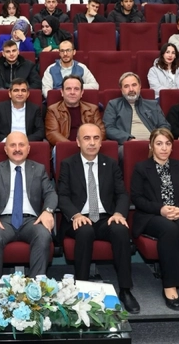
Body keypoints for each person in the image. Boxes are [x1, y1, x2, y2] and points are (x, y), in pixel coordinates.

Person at [57, 123, 139, 313]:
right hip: (79, 217)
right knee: (85, 231)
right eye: (87, 138)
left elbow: (122, 194)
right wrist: (76, 214)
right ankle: (81, 289)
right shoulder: (68, 164)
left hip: (105, 217)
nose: (92, 143)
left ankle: (125, 290)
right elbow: (62, 196)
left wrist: (118, 213)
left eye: (96, 138)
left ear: (101, 142)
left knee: (120, 230)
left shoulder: (110, 164)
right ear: (78, 142)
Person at [131, 128, 179, 310]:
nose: (164, 148)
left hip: (178, 212)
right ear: (151, 146)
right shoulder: (141, 168)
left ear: (172, 147)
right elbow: (137, 198)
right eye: (159, 143)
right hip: (152, 215)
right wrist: (161, 209)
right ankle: (170, 285)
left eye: (168, 144)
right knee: (169, 229)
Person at [0, 131, 56, 282]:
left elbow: (50, 193)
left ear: (28, 148)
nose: (17, 149)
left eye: (21, 145)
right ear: (5, 149)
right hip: (3, 221)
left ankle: (36, 288)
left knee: (43, 235)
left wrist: (47, 211)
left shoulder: (39, 169)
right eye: (12, 145)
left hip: (32, 221)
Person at [103, 72, 171, 144]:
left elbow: (165, 126)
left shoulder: (153, 105)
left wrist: (155, 139)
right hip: (127, 145)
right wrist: (128, 139)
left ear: (140, 86)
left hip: (153, 144)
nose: (131, 89)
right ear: (121, 89)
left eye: (134, 85)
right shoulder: (113, 105)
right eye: (126, 86)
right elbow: (108, 128)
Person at [0, 78, 44, 142]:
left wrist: (25, 141)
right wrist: (6, 140)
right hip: (5, 144)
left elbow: (40, 131)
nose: (20, 94)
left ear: (28, 94)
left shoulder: (34, 109)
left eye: (23, 90)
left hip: (27, 144)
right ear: (10, 93)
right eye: (16, 90)